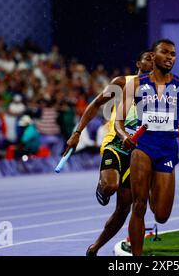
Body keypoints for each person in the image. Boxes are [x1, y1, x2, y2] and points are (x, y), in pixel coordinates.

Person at [115, 39, 179, 256]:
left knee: (162, 215)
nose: (170, 57)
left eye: (173, 53)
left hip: (167, 150)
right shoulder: (136, 84)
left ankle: (152, 186)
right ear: (153, 56)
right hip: (143, 146)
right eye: (165, 52)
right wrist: (125, 136)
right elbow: (119, 121)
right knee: (139, 205)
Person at [64, 51, 154, 256]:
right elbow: (96, 104)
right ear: (138, 63)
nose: (151, 60)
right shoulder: (122, 82)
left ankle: (95, 247)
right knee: (110, 186)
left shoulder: (161, 89)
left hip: (140, 152)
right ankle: (102, 187)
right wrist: (77, 133)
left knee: (123, 209)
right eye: (147, 57)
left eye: (153, 58)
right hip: (116, 142)